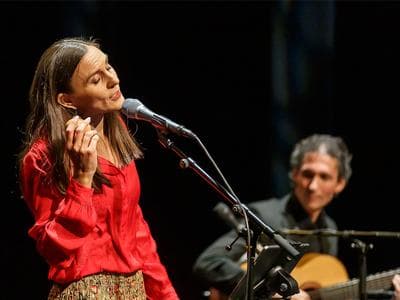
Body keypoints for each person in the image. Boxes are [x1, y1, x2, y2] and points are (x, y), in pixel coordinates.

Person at [18, 37, 179, 299]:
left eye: (108, 67)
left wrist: (165, 294)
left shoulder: (117, 130)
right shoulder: (44, 155)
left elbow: (136, 231)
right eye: (95, 79)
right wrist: (81, 179)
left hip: (134, 290)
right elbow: (54, 249)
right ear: (67, 100)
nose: (112, 80)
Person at [193, 134, 352, 300]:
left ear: (339, 184)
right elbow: (208, 262)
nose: (313, 186)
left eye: (324, 177)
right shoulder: (264, 216)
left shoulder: (330, 229)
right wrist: (266, 287)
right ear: (294, 174)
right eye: (307, 174)